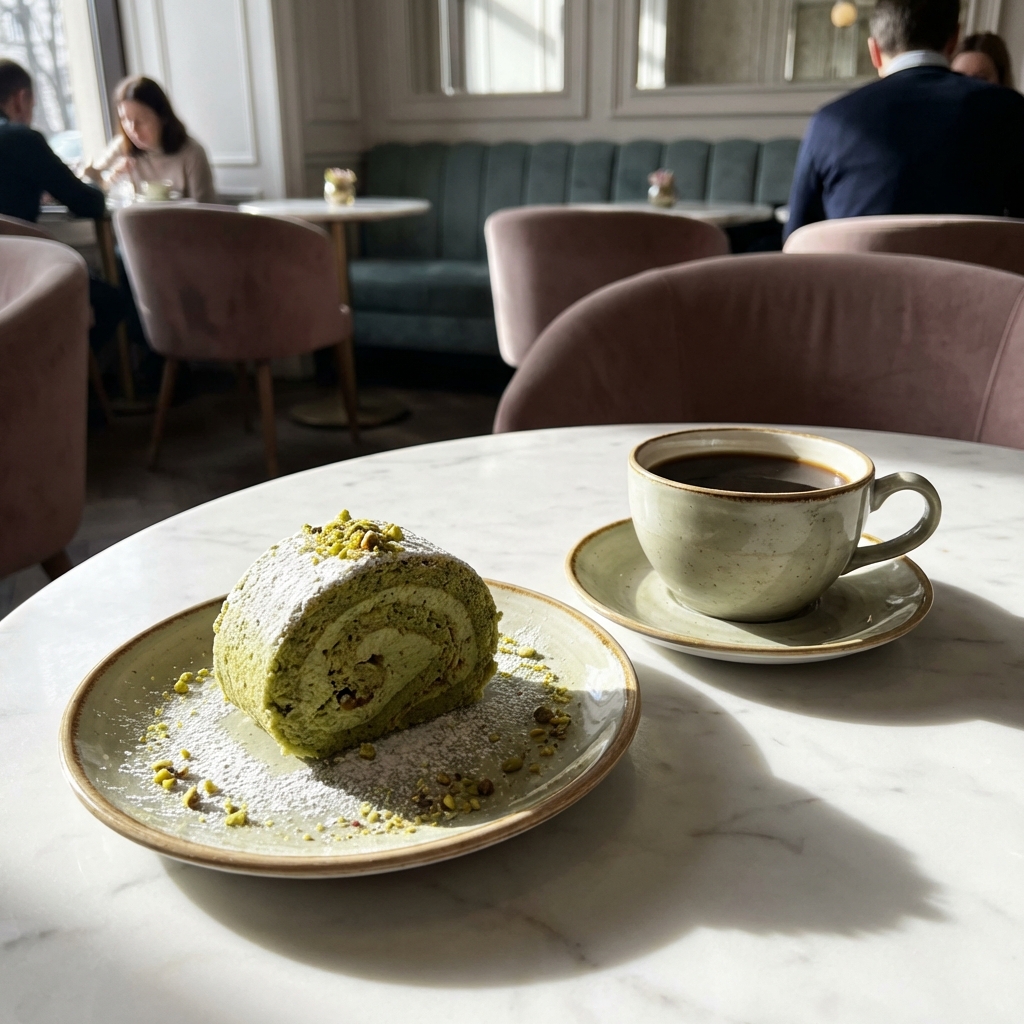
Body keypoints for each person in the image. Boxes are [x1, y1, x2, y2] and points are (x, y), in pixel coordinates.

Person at [784, 0, 1024, 240]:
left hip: (859, 276)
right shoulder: (1011, 111)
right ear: (954, 40)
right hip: (975, 276)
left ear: (874, 51)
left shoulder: (830, 121)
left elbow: (796, 240)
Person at [0, 59, 122, 363]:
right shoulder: (20, 139)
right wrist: (92, 181)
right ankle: (59, 382)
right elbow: (89, 203)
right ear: (21, 99)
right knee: (112, 303)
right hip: (17, 280)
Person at [83, 76, 216, 203]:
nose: (132, 129)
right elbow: (92, 180)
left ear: (163, 117)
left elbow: (205, 212)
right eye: (125, 119)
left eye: (140, 120)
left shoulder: (192, 153)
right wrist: (112, 178)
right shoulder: (123, 146)